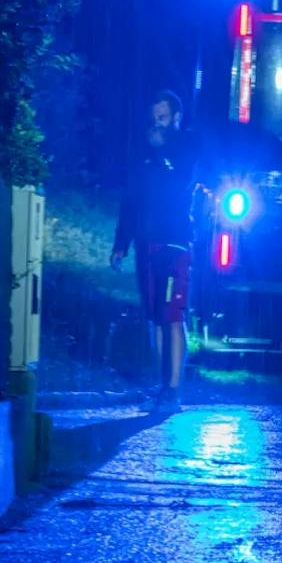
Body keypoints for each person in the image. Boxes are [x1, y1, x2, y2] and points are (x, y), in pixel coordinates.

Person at [110, 89, 200, 414]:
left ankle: (173, 390)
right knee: (155, 319)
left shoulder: (186, 146)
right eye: (153, 118)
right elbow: (130, 201)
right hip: (145, 245)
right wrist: (121, 244)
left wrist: (163, 152)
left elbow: (181, 182)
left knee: (171, 316)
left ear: (176, 117)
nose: (156, 123)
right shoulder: (143, 154)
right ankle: (163, 384)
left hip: (174, 243)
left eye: (162, 117)